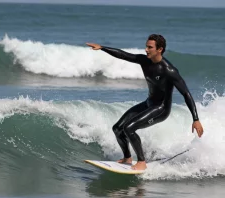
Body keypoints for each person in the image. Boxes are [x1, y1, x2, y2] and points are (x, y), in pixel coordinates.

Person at [86, 34, 204, 170]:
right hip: (149, 103)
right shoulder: (144, 60)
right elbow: (124, 55)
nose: (146, 50)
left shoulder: (169, 71)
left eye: (150, 47)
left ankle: (141, 162)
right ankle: (127, 158)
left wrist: (195, 119)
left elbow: (186, 93)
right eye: (146, 46)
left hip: (161, 109)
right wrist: (102, 48)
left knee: (129, 128)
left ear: (159, 49)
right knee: (117, 128)